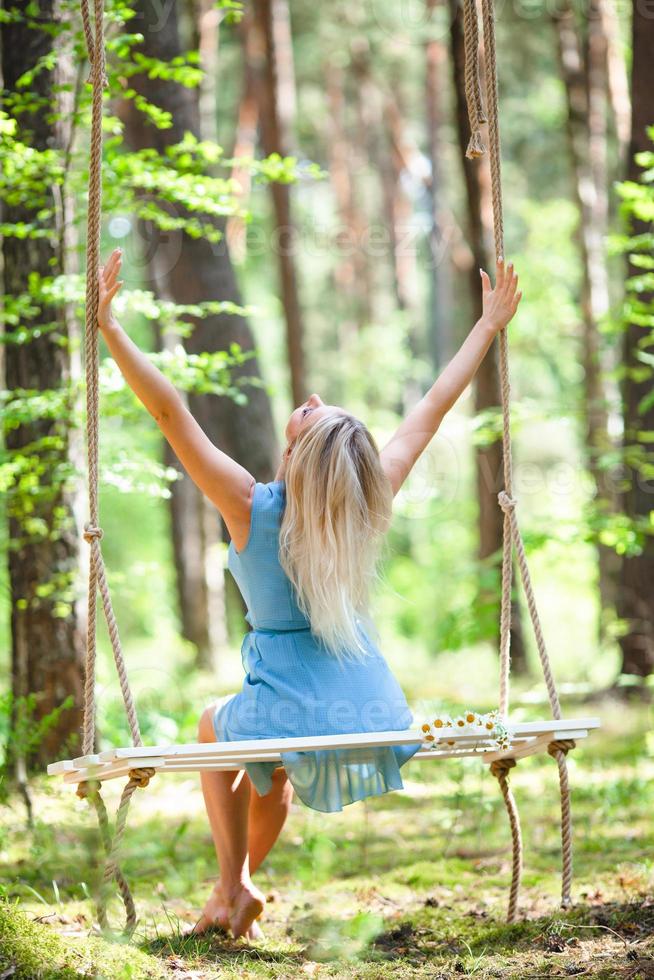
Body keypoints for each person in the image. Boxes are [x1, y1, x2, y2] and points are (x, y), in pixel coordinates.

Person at [97, 247, 521, 940]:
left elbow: (172, 414)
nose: (314, 400)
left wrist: (110, 327)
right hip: (371, 703)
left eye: (308, 413)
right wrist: (487, 327)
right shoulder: (364, 505)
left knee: (215, 730)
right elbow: (432, 410)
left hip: (291, 698)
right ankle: (234, 897)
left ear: (296, 455)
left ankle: (230, 886)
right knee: (273, 772)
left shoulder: (250, 505)